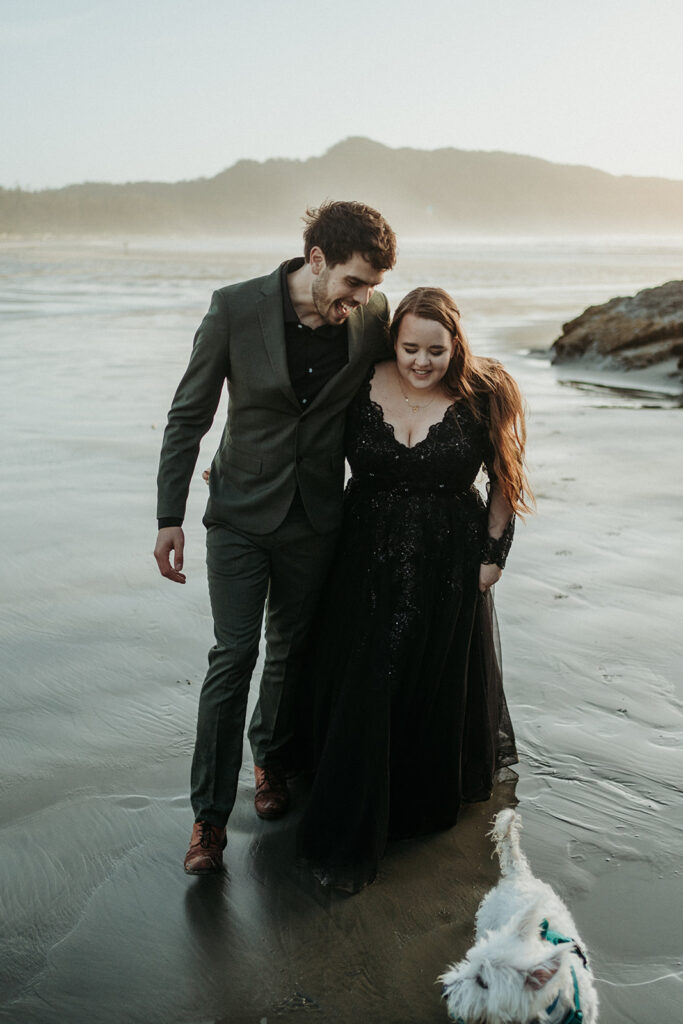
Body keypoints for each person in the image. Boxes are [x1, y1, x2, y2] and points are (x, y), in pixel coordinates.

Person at [153, 201, 397, 875]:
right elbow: (188, 415)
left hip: (315, 517)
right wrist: (167, 515)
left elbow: (413, 377)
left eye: (371, 286)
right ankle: (206, 818)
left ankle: (271, 763)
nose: (362, 298)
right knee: (233, 657)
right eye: (353, 282)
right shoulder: (234, 308)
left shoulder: (370, 318)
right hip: (236, 515)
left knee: (288, 650)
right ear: (315, 261)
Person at [295, 286, 533, 893]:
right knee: (367, 676)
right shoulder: (360, 379)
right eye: (409, 349)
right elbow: (299, 432)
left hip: (446, 562)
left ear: (456, 344)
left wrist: (493, 557)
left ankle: (409, 806)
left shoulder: (486, 392)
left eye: (436, 350)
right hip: (361, 556)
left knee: (424, 677)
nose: (422, 362)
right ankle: (352, 808)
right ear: (392, 341)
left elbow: (507, 482)